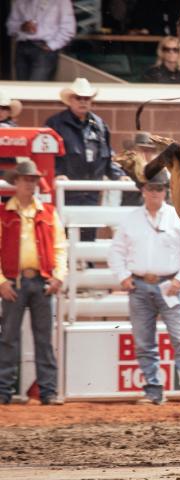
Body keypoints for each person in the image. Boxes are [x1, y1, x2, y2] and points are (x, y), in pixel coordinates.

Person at [108, 169, 180, 407]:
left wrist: (179, 280)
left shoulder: (176, 218)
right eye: (150, 188)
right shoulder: (131, 220)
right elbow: (116, 251)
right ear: (143, 190)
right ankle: (154, 390)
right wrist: (123, 276)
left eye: (159, 188)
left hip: (168, 285)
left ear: (165, 191)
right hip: (140, 285)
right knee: (144, 342)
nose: (154, 193)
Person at [0, 161, 67, 406]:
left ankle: (47, 391)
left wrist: (59, 276)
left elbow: (60, 246)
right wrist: (1, 282)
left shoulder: (48, 212)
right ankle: (3, 391)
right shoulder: (4, 212)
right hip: (14, 282)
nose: (30, 184)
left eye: (33, 180)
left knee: (42, 338)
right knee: (8, 337)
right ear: (16, 182)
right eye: (26, 179)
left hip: (41, 281)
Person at [45, 78, 127, 241]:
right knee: (63, 235)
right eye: (78, 98)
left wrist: (118, 175)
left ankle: (86, 262)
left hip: (91, 192)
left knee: (88, 233)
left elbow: (107, 156)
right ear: (70, 100)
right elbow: (47, 155)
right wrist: (56, 174)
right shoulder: (55, 123)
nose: (83, 102)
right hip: (66, 191)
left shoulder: (99, 125)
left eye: (87, 98)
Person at [6, 0, 76, 81]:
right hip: (23, 46)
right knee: (22, 85)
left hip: (44, 49)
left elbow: (68, 29)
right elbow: (10, 26)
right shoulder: (20, 2)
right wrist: (22, 26)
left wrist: (51, 46)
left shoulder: (61, 2)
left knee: (37, 86)